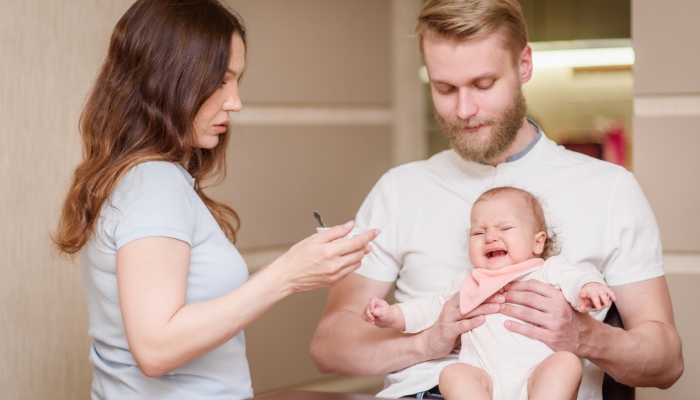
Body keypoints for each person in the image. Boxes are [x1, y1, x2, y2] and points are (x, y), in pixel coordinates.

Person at [310, 0, 683, 399]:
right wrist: (425, 344)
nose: (465, 109)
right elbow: (329, 346)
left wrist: (586, 337)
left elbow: (668, 362)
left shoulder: (609, 188)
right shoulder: (399, 189)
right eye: (445, 88)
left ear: (524, 65)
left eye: (484, 84)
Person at [52, 0, 379, 398]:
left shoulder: (134, 177)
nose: (235, 102)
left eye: (236, 80)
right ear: (170, 79)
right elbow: (155, 349)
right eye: (221, 81)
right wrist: (287, 275)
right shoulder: (153, 182)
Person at [363, 187, 617, 400]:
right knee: (453, 373)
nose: (491, 237)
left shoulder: (548, 269)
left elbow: (574, 280)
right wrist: (392, 314)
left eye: (505, 228)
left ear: (537, 242)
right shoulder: (469, 281)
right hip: (484, 380)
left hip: (538, 376)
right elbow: (429, 308)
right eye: (479, 232)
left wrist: (588, 289)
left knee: (566, 363)